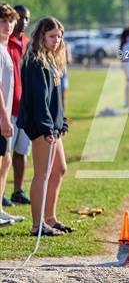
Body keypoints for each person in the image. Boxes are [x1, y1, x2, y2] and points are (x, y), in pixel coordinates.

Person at [18, 16, 74, 236]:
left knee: (59, 169)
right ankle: (37, 224)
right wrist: (46, 127)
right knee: (41, 175)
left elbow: (54, 99)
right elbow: (38, 99)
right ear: (42, 36)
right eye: (52, 36)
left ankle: (50, 218)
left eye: (59, 37)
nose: (57, 40)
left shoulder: (51, 59)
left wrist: (60, 124)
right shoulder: (34, 61)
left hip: (53, 127)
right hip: (42, 128)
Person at [0, 3, 25, 228]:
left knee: (6, 160)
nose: (8, 25)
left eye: (10, 21)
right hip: (2, 116)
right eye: (3, 21)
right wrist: (5, 117)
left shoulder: (6, 49)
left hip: (9, 112)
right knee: (4, 160)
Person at [5, 5, 32, 207]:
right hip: (8, 106)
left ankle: (18, 191)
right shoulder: (4, 43)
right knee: (4, 154)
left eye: (26, 18)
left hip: (25, 107)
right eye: (19, 17)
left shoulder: (28, 43)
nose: (23, 21)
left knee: (21, 152)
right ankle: (2, 192)